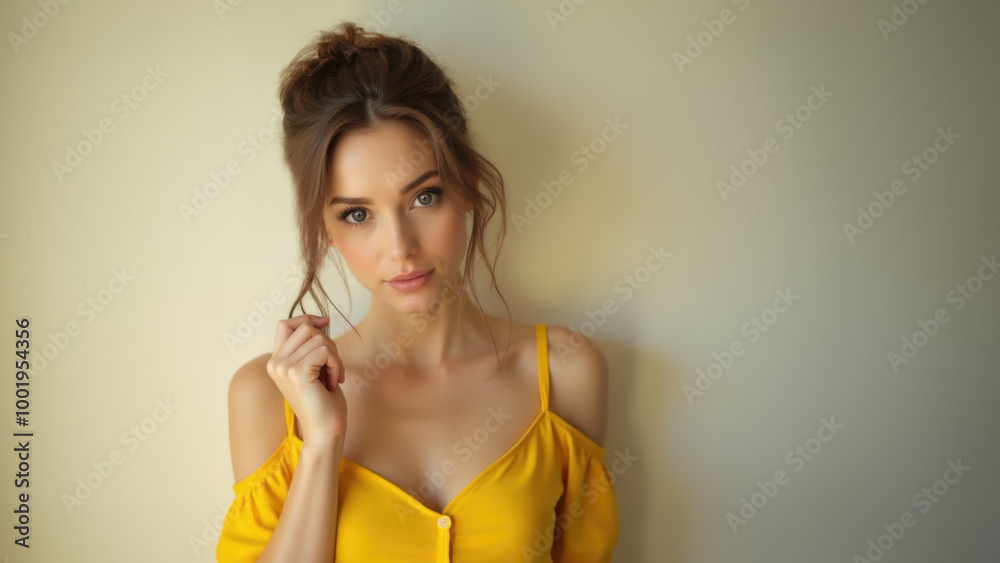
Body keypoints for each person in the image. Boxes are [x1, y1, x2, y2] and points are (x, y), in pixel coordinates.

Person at [215, 20, 619, 562]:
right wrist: (322, 443)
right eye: (358, 214)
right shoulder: (267, 398)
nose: (401, 246)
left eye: (424, 197)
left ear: (468, 187)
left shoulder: (567, 371)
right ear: (325, 230)